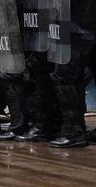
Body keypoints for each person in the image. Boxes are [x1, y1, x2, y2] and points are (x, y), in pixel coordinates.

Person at [47, 1, 96, 148]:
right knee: (72, 77)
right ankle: (75, 130)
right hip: (83, 25)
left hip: (76, 27)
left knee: (65, 76)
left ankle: (73, 131)